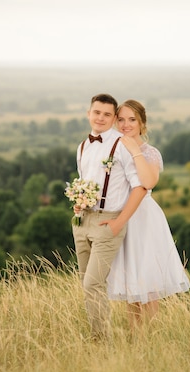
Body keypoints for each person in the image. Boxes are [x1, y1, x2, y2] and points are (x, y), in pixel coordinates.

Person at [107, 99, 190, 330]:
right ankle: (135, 335)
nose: (126, 124)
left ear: (142, 123)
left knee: (148, 280)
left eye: (132, 119)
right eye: (121, 119)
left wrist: (134, 150)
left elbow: (148, 181)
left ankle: (150, 335)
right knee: (130, 279)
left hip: (143, 219)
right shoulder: (112, 150)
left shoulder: (150, 153)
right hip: (120, 215)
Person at [72, 93, 147, 342]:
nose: (101, 118)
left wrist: (118, 223)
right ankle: (100, 336)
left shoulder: (122, 145)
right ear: (88, 114)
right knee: (86, 283)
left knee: (92, 284)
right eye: (97, 112)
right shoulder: (82, 146)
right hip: (83, 222)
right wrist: (79, 204)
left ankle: (101, 341)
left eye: (107, 114)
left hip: (108, 222)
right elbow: (87, 182)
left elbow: (140, 186)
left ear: (114, 118)